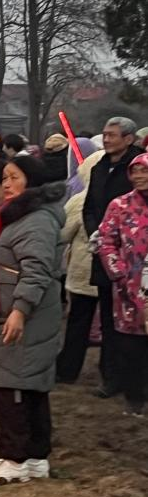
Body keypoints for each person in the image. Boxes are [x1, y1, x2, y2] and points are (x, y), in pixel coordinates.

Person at [0, 154, 65, 484]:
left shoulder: (36, 220)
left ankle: (16, 458)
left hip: (26, 313)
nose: (7, 184)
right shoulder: (21, 215)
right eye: (5, 178)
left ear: (32, 181)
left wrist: (19, 310)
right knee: (28, 383)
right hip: (18, 310)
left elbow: (36, 270)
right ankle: (36, 456)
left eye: (14, 177)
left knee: (10, 382)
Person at [82, 117, 143, 399]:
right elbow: (89, 206)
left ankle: (136, 381)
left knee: (137, 324)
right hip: (106, 257)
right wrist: (97, 233)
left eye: (112, 135)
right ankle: (111, 377)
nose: (106, 139)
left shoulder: (138, 167)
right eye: (104, 134)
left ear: (128, 139)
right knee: (109, 319)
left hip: (137, 262)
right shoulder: (99, 167)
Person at [96, 154, 148, 415]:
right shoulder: (120, 205)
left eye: (144, 170)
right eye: (134, 171)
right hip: (128, 287)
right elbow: (105, 241)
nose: (138, 176)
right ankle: (134, 397)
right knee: (130, 347)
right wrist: (118, 274)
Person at [56, 151, 101, 383]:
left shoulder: (79, 201)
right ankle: (110, 372)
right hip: (115, 273)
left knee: (78, 323)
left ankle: (68, 369)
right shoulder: (125, 199)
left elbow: (63, 234)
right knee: (113, 325)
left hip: (84, 270)